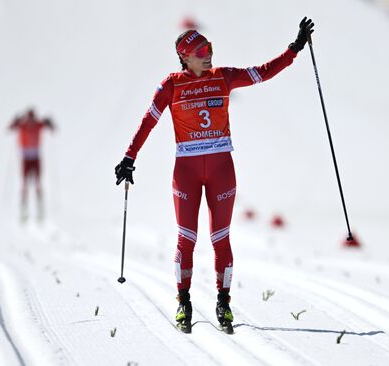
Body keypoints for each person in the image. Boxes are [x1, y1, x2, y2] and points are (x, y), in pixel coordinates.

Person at [115, 18, 315, 333]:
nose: (209, 54)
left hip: (222, 169)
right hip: (187, 172)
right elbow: (148, 121)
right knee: (187, 239)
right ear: (185, 56)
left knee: (220, 239)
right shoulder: (170, 85)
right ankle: (184, 301)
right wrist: (129, 157)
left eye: (209, 48)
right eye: (201, 50)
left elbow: (263, 72)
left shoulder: (224, 77)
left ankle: (223, 302)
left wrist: (294, 49)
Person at [9, 108, 56, 222]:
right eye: (29, 118)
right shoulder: (23, 125)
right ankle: (23, 209)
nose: (31, 121)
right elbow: (10, 128)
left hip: (35, 157)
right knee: (25, 183)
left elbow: (52, 128)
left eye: (32, 118)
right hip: (26, 158)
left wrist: (50, 122)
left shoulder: (37, 124)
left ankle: (40, 209)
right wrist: (14, 121)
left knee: (37, 183)